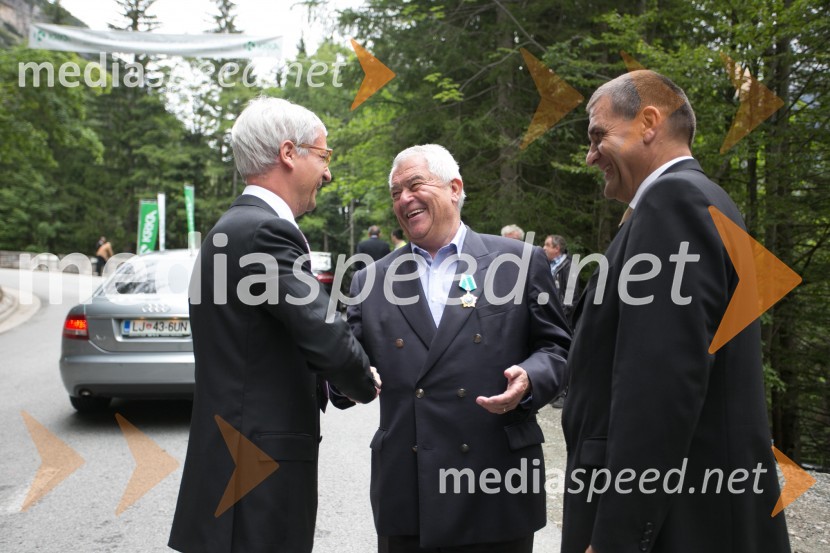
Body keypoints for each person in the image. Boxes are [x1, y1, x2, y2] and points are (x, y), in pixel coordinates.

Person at [561, 71, 790, 553]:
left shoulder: (673, 203)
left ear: (648, 122)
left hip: (677, 524)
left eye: (598, 135)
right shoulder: (705, 199)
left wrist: (618, 538)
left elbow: (659, 388)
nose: (590, 155)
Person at [169, 97, 379, 553]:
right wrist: (365, 379)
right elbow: (322, 331)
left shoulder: (231, 227)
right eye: (323, 156)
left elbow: (267, 343)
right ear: (289, 153)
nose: (328, 173)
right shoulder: (266, 232)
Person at [345, 144, 572, 552]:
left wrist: (531, 378)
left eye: (415, 185)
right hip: (409, 488)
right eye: (396, 192)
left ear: (455, 188)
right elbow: (347, 365)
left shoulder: (519, 262)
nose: (404, 199)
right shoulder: (370, 281)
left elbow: (558, 349)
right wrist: (342, 378)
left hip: (495, 483)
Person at [543, 234, 579, 321]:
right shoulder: (545, 264)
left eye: (547, 245)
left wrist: (559, 318)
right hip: (545, 316)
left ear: (557, 248)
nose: (543, 248)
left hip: (559, 319)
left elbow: (571, 298)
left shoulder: (570, 267)